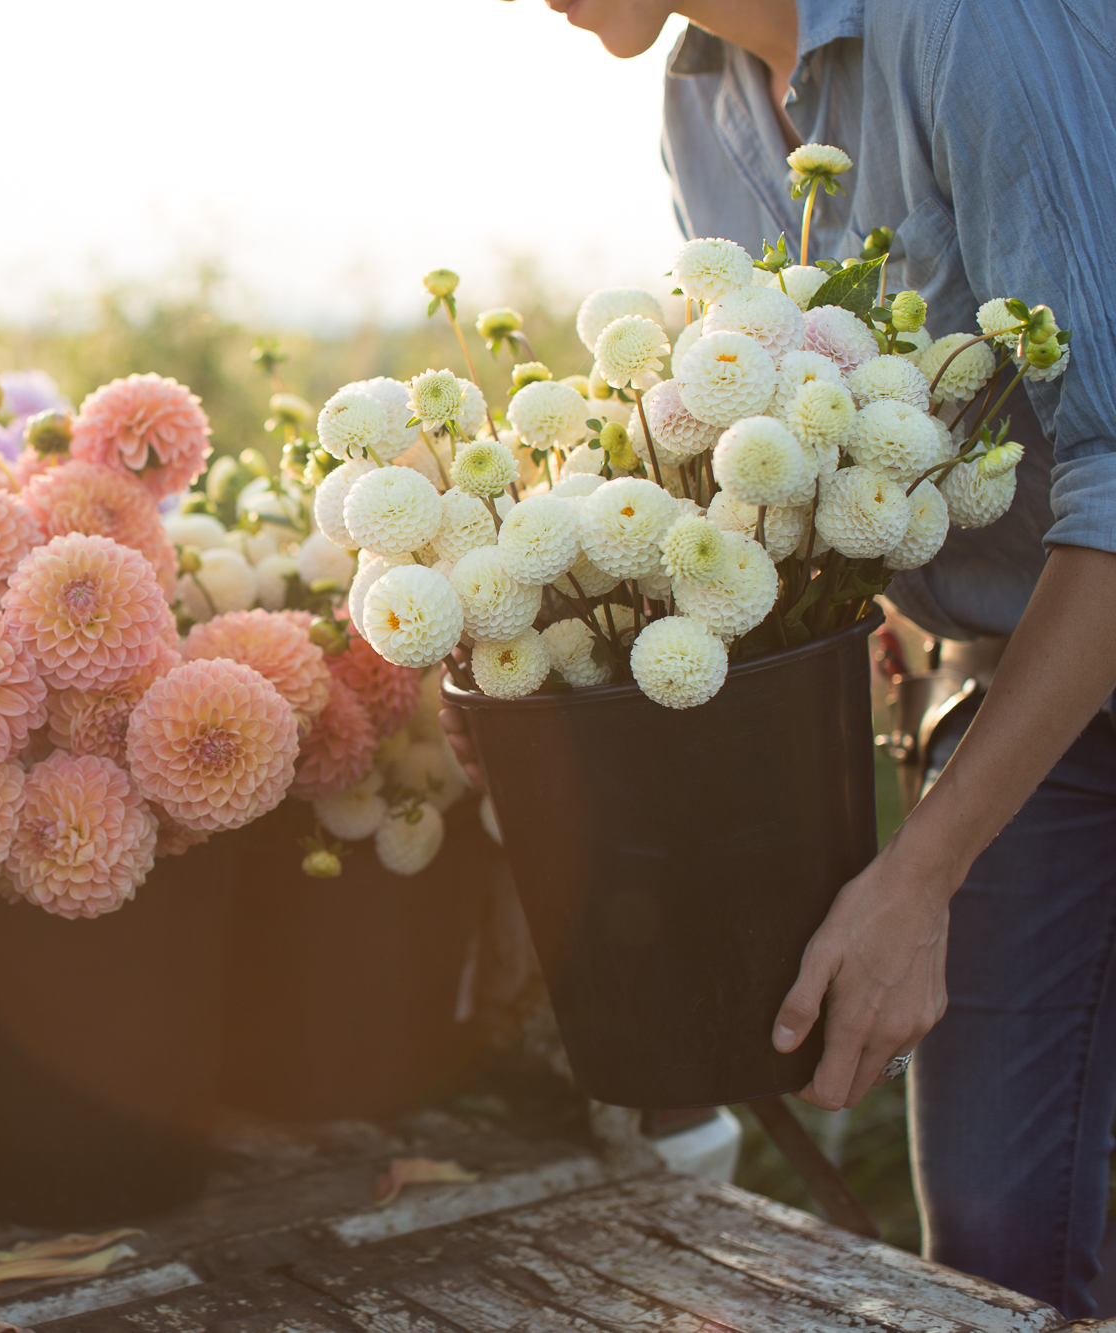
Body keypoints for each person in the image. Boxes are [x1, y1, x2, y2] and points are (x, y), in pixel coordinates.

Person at [440, 0, 1116, 1315]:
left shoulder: (973, 25)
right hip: (1031, 694)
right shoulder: (706, 103)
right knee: (990, 1240)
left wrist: (920, 873)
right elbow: (788, 479)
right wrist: (551, 665)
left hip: (1058, 649)